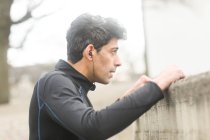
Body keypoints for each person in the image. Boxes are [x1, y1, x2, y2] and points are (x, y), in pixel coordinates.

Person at [29, 13, 185, 140]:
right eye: (113, 51)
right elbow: (93, 128)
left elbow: (90, 126)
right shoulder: (54, 82)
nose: (118, 62)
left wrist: (124, 101)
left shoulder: (74, 87)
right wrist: (157, 85)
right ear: (90, 52)